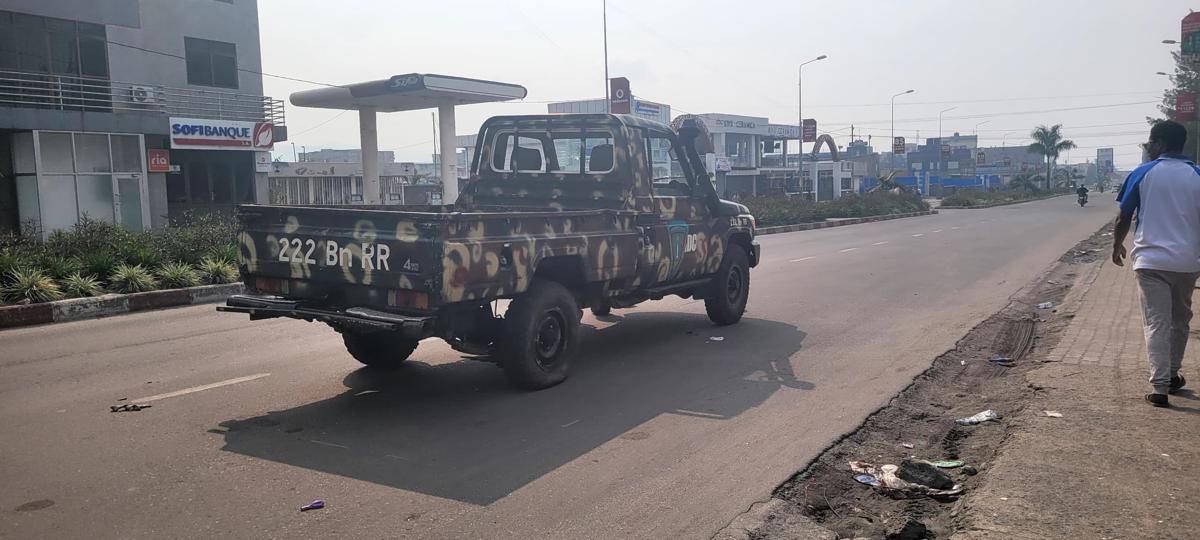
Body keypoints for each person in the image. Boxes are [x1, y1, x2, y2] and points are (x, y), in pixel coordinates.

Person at [1112, 120, 1200, 407]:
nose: (1148, 147)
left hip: (1150, 261)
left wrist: (1117, 244)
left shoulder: (1143, 173)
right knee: (1180, 320)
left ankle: (1161, 385)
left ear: (1160, 143)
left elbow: (1124, 216)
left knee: (1157, 322)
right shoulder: (1196, 174)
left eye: (1150, 141)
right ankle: (1172, 374)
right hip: (1187, 262)